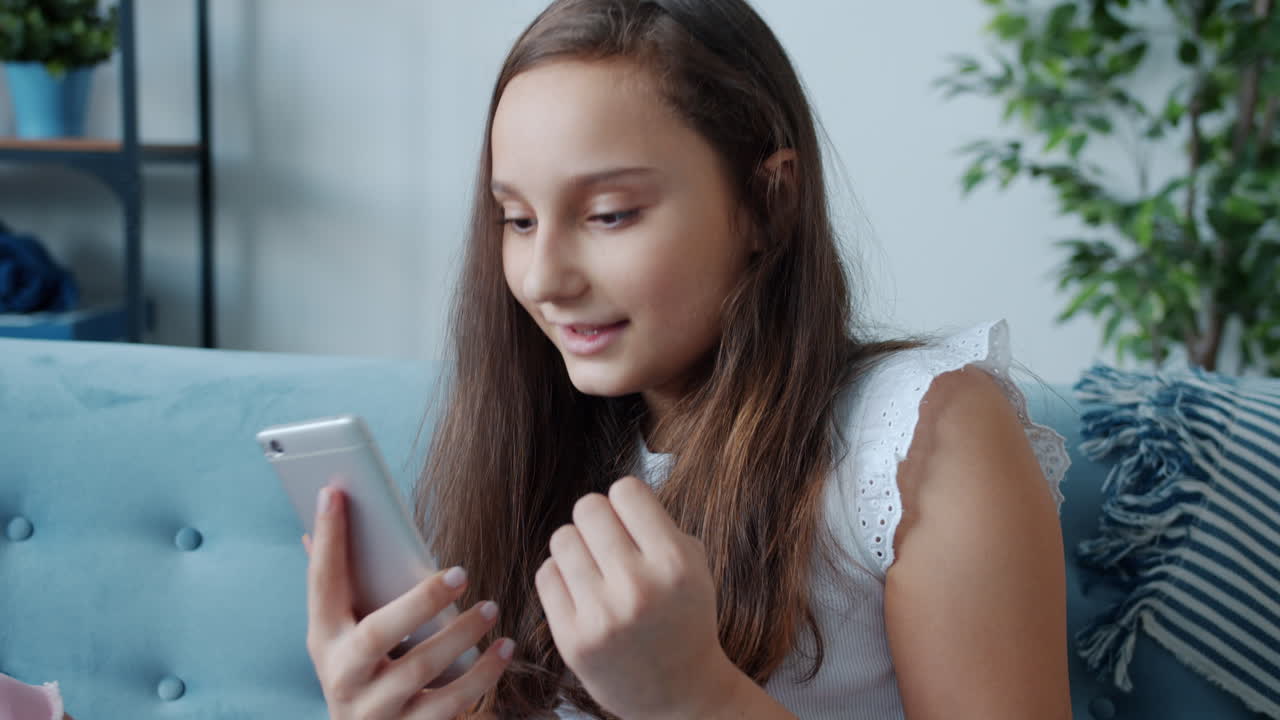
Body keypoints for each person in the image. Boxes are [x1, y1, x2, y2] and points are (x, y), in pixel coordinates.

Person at [302, 0, 1073, 718]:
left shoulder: (919, 434)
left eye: (610, 215)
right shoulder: (537, 448)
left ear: (770, 202)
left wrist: (696, 694)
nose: (542, 280)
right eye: (518, 219)